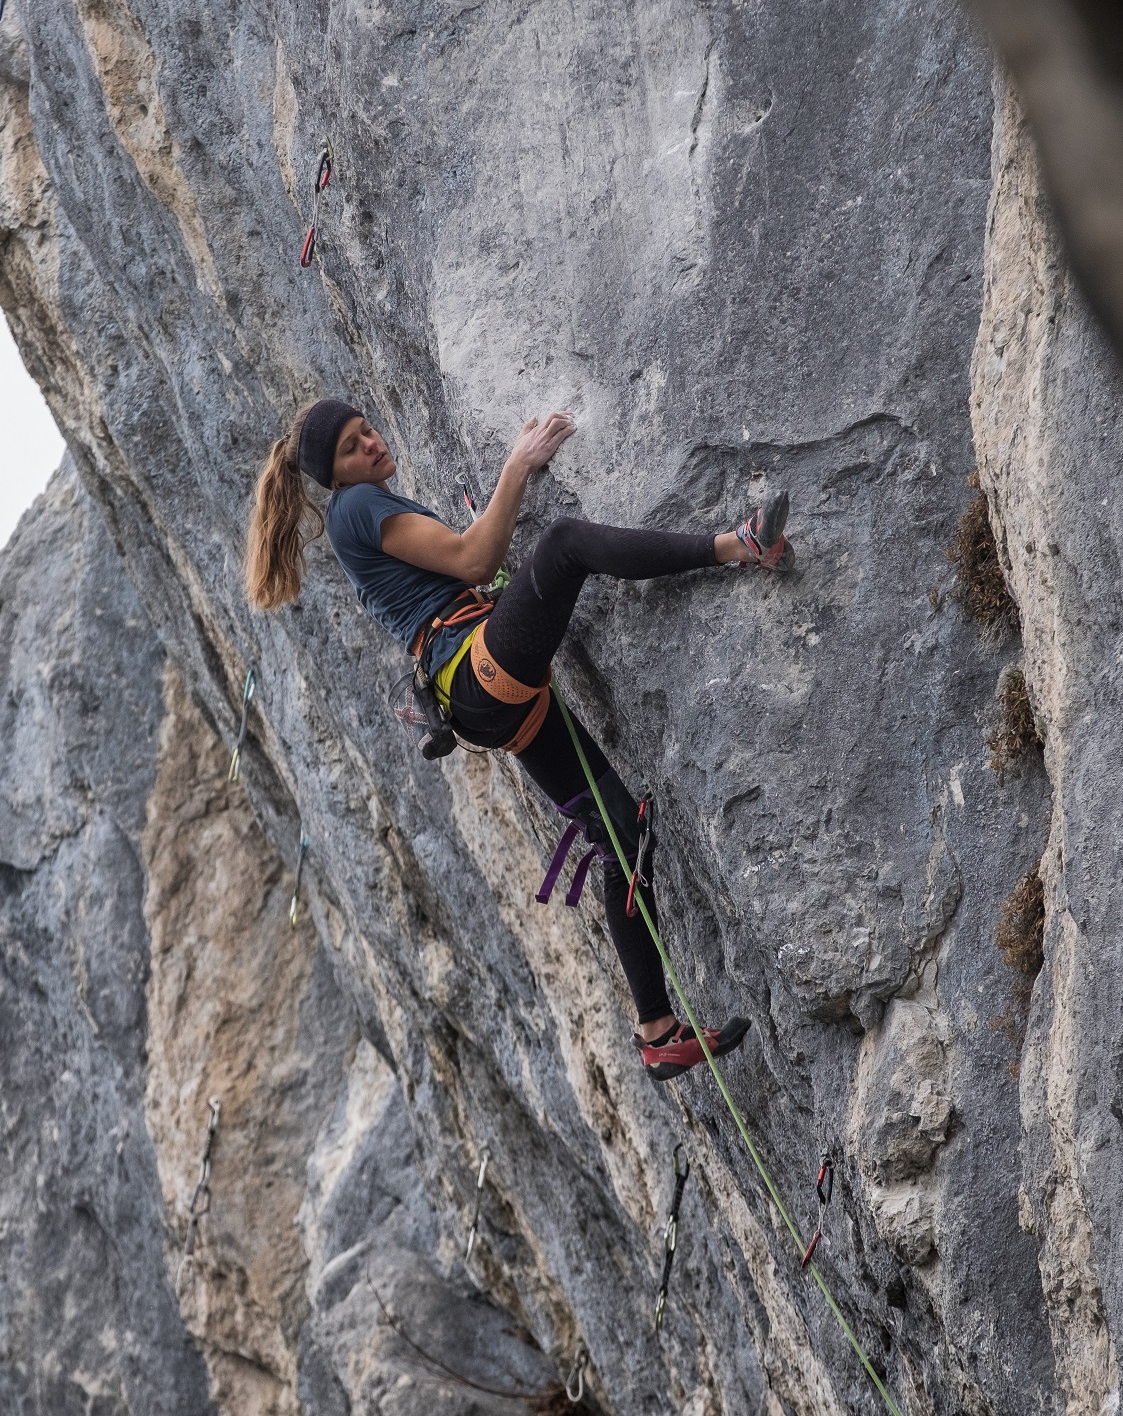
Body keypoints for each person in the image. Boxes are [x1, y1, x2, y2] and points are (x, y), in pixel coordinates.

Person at [246, 398, 793, 1078]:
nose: (373, 444)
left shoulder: (362, 508)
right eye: (353, 447)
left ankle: (656, 1032)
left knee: (621, 833)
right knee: (563, 544)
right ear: (336, 474)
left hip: (482, 694)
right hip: (477, 671)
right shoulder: (356, 506)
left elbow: (459, 568)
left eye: (368, 430)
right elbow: (475, 561)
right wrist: (518, 466)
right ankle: (737, 546)